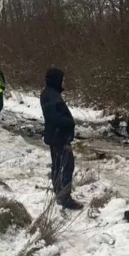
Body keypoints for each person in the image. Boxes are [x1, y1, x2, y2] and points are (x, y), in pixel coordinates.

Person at [40, 68, 83, 210]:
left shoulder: (51, 94)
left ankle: (61, 194)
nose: (64, 82)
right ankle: (64, 197)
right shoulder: (50, 96)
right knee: (65, 166)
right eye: (62, 79)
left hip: (57, 136)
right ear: (56, 80)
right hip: (59, 137)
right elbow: (55, 117)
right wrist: (69, 122)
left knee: (59, 165)